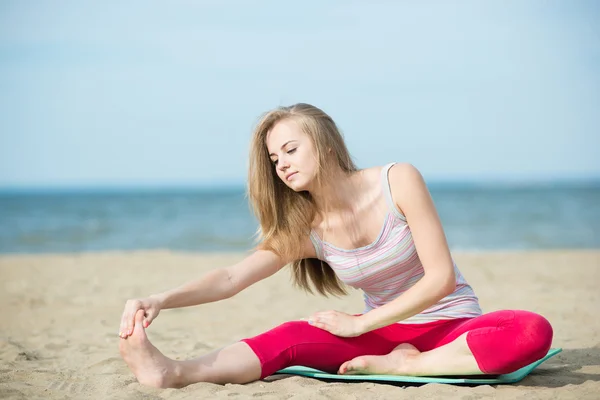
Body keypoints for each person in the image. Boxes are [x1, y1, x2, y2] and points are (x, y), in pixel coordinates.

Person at [118, 103, 553, 388]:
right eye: (274, 159)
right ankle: (176, 372)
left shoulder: (397, 181)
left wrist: (360, 325)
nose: (282, 164)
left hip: (451, 328)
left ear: (323, 144)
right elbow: (232, 277)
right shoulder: (305, 227)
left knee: (531, 331)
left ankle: (413, 365)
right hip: (382, 337)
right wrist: (161, 299)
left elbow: (440, 280)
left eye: (290, 149)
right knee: (289, 336)